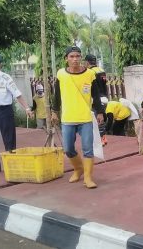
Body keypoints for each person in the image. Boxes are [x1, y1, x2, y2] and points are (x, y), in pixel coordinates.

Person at [51, 46, 104, 189]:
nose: (75, 59)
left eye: (77, 56)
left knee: (88, 149)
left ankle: (88, 177)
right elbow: (56, 95)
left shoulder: (89, 74)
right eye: (71, 56)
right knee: (68, 148)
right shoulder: (61, 74)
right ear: (66, 59)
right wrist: (54, 111)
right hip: (68, 118)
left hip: (85, 117)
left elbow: (96, 95)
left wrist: (100, 112)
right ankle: (78, 169)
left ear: (81, 58)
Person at [0, 53, 33, 175]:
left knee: (9, 139)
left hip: (4, 111)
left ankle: (11, 165)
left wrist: (27, 109)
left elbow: (17, 94)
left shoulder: (6, 78)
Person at [84, 54, 108, 145]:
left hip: (96, 99)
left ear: (87, 62)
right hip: (104, 98)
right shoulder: (101, 70)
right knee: (101, 118)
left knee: (96, 119)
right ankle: (103, 138)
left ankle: (100, 139)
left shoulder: (90, 72)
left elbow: (90, 87)